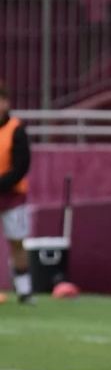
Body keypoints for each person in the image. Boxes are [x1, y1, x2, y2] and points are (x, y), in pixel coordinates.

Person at [0, 82, 33, 304]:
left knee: (17, 241)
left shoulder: (16, 128)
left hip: (12, 195)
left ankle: (24, 289)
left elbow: (22, 165)